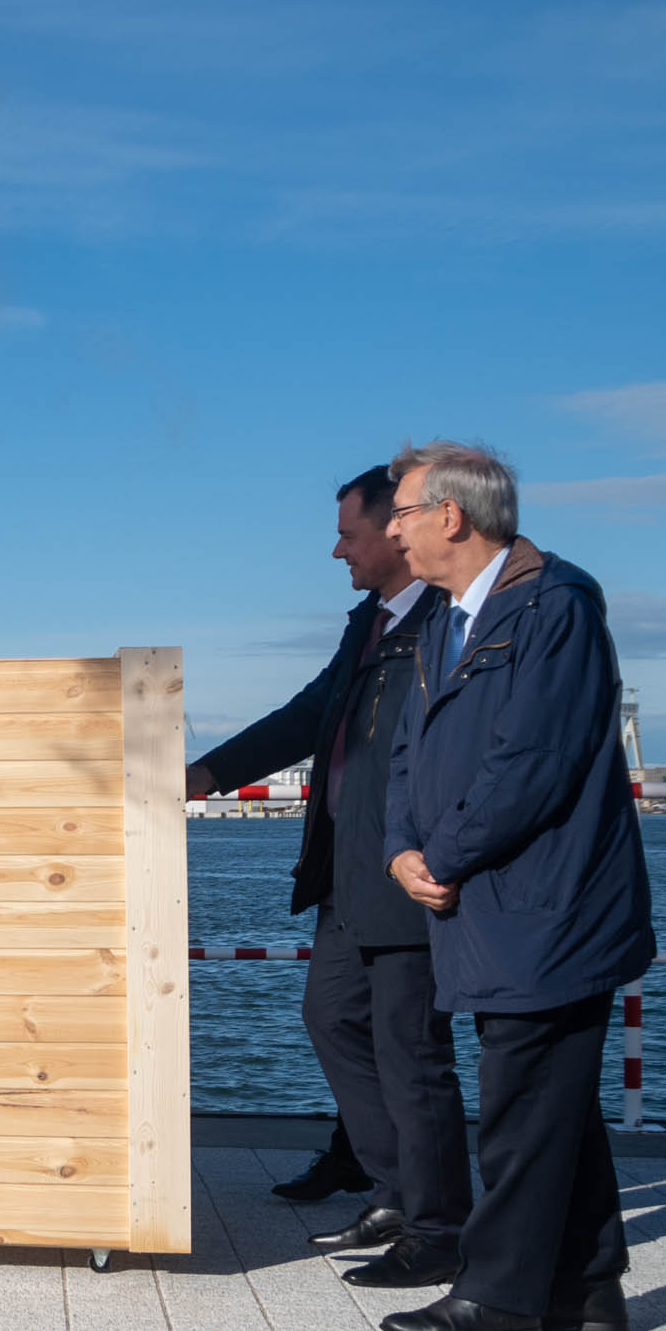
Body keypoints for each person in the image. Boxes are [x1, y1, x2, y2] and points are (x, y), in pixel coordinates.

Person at [378, 441, 653, 1331]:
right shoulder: (443, 620)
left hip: (548, 902)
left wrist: (443, 854)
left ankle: (499, 1294)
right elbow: (410, 751)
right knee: (551, 1097)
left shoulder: (554, 606)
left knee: (522, 1099)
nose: (393, 528)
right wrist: (400, 850)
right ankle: (588, 1286)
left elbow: (533, 762)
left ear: (452, 515)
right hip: (485, 899)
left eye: (404, 511)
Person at [188, 468, 465, 1286]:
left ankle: (439, 1224)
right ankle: (396, 1189)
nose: (336, 547)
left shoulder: (446, 625)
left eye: (349, 532)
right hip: (347, 869)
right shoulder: (372, 624)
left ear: (397, 532)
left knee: (411, 1051)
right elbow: (309, 716)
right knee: (333, 1019)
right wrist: (209, 771)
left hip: (406, 868)